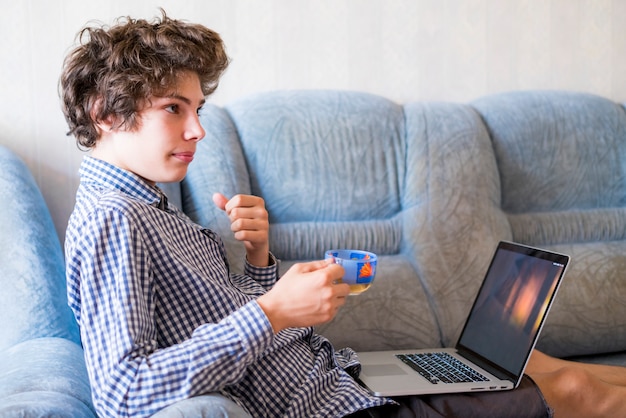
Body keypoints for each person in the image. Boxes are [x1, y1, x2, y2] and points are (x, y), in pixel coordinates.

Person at [59, 10, 626, 418]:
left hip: (340, 380)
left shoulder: (149, 207)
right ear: (105, 112)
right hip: (334, 407)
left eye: (197, 108)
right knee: (575, 389)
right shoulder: (116, 219)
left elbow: (225, 326)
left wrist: (259, 261)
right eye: (173, 109)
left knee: (544, 362)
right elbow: (124, 392)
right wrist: (275, 311)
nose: (197, 129)